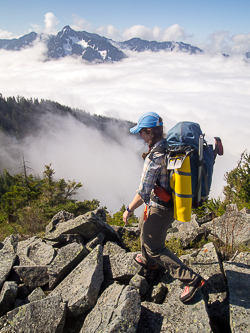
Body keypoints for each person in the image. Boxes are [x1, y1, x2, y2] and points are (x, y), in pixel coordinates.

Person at [122, 112, 205, 303]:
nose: (140, 136)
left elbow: (143, 191)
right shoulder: (169, 146)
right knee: (143, 226)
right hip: (163, 204)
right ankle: (149, 263)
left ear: (150, 132)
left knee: (155, 248)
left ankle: (191, 280)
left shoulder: (155, 156)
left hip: (160, 208)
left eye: (141, 132)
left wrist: (129, 209)